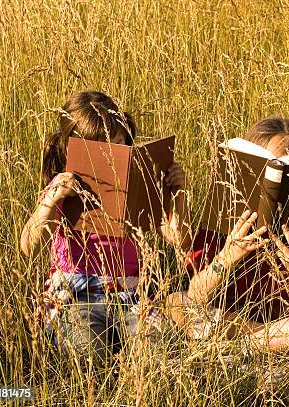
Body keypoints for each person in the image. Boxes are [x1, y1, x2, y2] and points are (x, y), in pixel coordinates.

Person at [20, 91, 191, 365]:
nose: (112, 157)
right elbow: (29, 246)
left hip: (130, 296)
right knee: (87, 353)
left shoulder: (139, 179)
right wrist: (52, 198)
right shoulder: (64, 187)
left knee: (158, 350)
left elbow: (179, 239)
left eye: (119, 145)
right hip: (75, 296)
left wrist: (178, 194)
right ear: (71, 151)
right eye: (100, 151)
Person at [166, 116, 289, 358]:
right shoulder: (226, 212)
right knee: (175, 302)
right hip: (236, 323)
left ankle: (239, 349)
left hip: (285, 326)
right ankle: (254, 345)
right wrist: (229, 254)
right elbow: (196, 295)